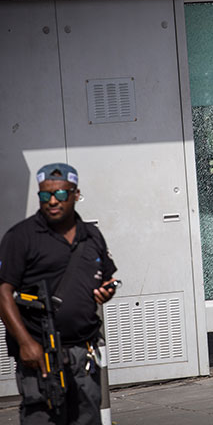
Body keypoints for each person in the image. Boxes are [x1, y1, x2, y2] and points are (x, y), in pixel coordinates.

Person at [0, 163, 119, 424]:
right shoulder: (21, 237)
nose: (52, 201)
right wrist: (25, 343)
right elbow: (3, 291)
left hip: (83, 353)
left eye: (61, 194)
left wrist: (107, 291)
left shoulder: (92, 235)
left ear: (76, 194)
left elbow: (107, 278)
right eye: (45, 195)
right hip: (41, 356)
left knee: (87, 418)